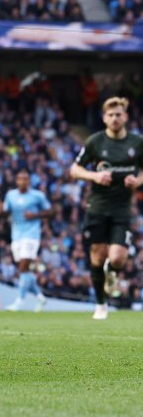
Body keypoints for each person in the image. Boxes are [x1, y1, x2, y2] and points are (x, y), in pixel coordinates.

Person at [69, 97, 143, 320]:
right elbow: (74, 170)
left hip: (122, 209)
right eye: (110, 115)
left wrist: (139, 181)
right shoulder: (95, 142)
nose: (114, 118)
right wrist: (94, 175)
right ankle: (101, 304)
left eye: (118, 114)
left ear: (125, 117)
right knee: (97, 257)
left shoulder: (137, 143)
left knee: (118, 258)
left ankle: (113, 272)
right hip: (98, 207)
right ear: (104, 118)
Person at [1, 171, 53, 311]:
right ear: (17, 181)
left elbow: (50, 212)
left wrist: (35, 215)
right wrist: (3, 212)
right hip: (16, 235)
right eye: (20, 179)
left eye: (26, 179)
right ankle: (40, 298)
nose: (23, 181)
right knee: (24, 271)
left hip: (31, 235)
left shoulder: (37, 196)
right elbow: (5, 211)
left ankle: (19, 301)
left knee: (23, 268)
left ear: (29, 181)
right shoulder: (10, 195)